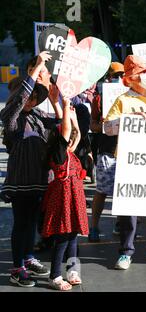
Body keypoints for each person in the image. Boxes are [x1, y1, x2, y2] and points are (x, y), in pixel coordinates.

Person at [0, 51, 61, 287]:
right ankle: (17, 268)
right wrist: (37, 68)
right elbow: (17, 100)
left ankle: (28, 257)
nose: (30, 99)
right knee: (21, 223)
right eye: (27, 95)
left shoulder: (38, 115)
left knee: (32, 221)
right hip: (20, 180)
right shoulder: (11, 118)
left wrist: (57, 103)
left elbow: (60, 129)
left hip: (38, 179)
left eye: (34, 96)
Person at [103, 55, 146, 270]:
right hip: (130, 161)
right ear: (130, 79)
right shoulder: (123, 100)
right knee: (129, 210)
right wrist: (127, 120)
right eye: (141, 73)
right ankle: (126, 252)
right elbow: (107, 128)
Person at [41, 96, 89, 291]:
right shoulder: (59, 153)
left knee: (73, 237)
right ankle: (55, 275)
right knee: (62, 239)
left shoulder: (70, 150)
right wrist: (66, 104)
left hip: (73, 200)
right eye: (66, 135)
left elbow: (76, 133)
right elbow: (69, 130)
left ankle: (72, 270)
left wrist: (72, 115)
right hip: (63, 200)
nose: (70, 138)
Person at [88, 62, 124, 242]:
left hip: (127, 149)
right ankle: (93, 226)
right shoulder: (100, 98)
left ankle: (120, 223)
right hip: (107, 150)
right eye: (115, 75)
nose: (118, 79)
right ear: (108, 78)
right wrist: (103, 124)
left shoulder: (132, 96)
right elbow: (92, 125)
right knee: (101, 191)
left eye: (122, 75)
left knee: (122, 191)